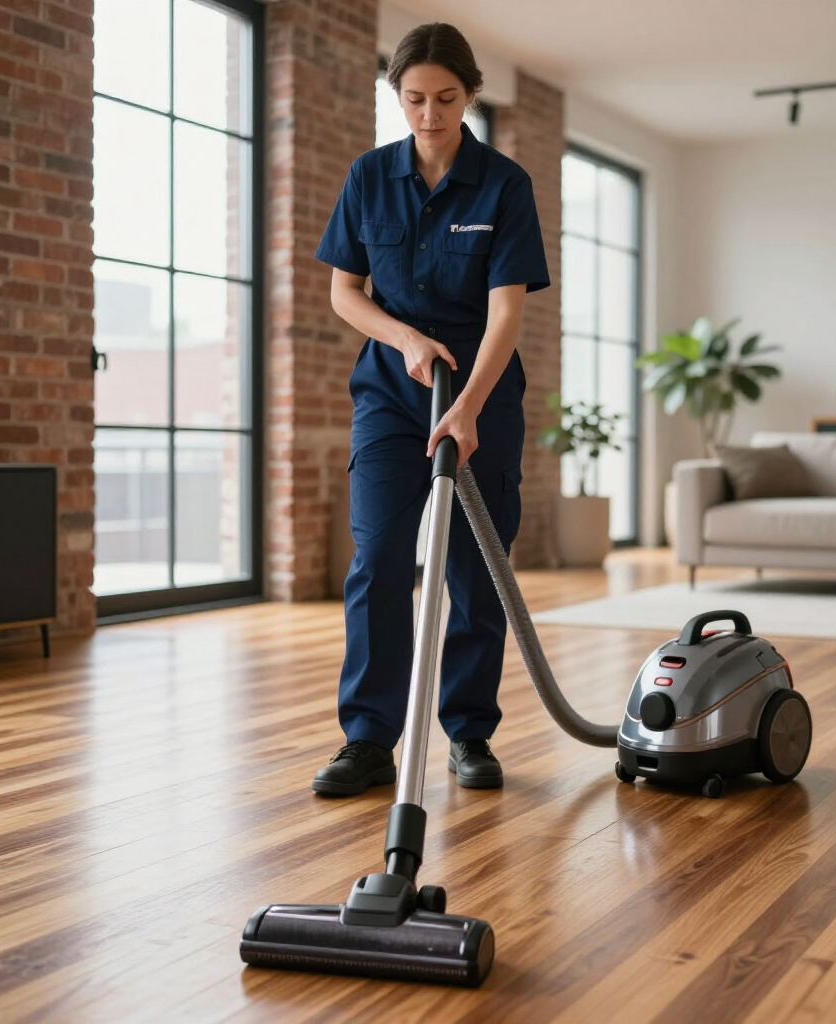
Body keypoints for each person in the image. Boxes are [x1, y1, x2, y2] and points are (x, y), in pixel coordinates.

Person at [311, 22, 549, 796]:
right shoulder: (368, 177)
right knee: (378, 557)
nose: (429, 115)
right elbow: (346, 293)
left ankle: (469, 732)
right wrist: (403, 335)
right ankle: (369, 740)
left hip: (481, 388)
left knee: (477, 569)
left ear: (470, 94)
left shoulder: (504, 184)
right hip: (391, 392)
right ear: (397, 96)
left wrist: (471, 405)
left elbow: (507, 315)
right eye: (413, 99)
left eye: (446, 99)